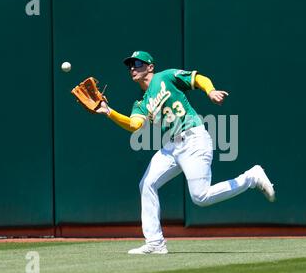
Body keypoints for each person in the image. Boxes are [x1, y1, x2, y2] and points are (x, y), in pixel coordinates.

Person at [96, 51, 276, 254]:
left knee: (201, 197)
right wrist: (109, 112)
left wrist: (210, 91)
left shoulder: (165, 77)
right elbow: (134, 125)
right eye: (129, 65)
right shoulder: (142, 102)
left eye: (137, 63)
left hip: (193, 139)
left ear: (150, 66)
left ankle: (251, 177)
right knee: (147, 184)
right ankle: (155, 243)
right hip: (171, 148)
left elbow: (197, 78)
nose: (132, 68)